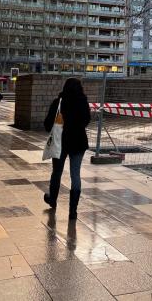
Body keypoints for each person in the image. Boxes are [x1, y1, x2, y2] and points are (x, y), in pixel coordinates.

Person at [43, 78, 91, 220]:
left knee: (56, 172)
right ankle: (73, 211)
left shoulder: (58, 102)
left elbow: (47, 125)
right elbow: (86, 121)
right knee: (75, 175)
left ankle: (52, 200)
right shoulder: (83, 102)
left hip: (60, 142)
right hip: (78, 143)